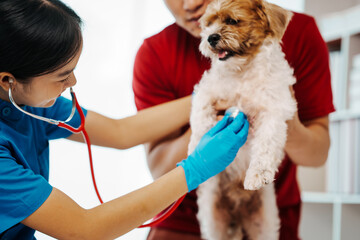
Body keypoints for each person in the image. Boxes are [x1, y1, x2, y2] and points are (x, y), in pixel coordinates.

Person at [0, 1, 250, 239]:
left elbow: (120, 132)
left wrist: (207, 96)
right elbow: (83, 230)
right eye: (61, 76)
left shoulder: (26, 102)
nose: (72, 83)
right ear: (7, 81)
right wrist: (196, 168)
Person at [132, 0, 335, 239]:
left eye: (232, 21)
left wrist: (282, 119)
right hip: (183, 221)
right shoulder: (155, 53)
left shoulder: (298, 31)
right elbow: (158, 168)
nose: (191, 4)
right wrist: (207, 128)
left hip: (271, 210)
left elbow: (318, 154)